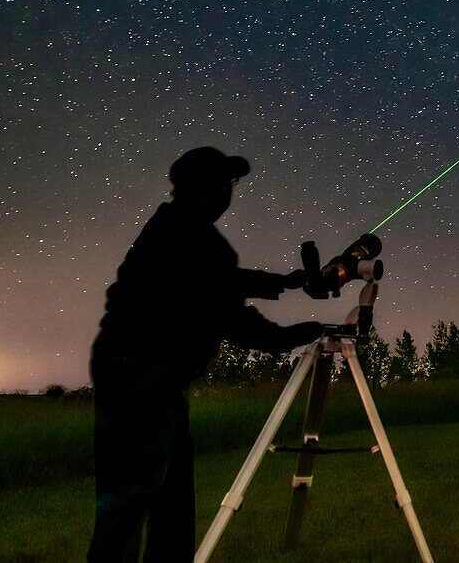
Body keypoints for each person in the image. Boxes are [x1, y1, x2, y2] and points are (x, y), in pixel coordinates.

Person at [88, 146, 325, 562]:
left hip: (122, 370)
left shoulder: (167, 227)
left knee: (144, 490)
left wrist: (281, 282)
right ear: (216, 188)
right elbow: (226, 311)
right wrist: (288, 337)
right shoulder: (199, 239)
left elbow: (217, 280)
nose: (231, 192)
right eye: (229, 184)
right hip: (150, 376)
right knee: (144, 497)